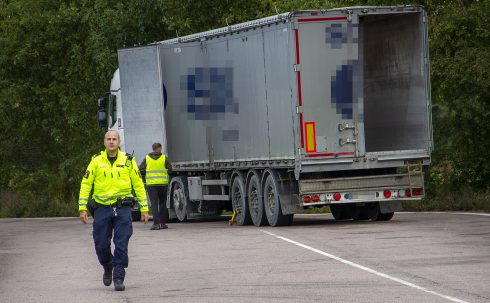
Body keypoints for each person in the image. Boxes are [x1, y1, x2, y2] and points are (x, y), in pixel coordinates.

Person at [78, 130, 149, 291]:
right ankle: (108, 267)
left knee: (121, 243)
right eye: (108, 139)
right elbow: (86, 184)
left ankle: (118, 275)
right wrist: (82, 208)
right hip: (101, 209)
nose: (111, 142)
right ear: (104, 142)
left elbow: (138, 184)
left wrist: (144, 208)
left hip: (122, 208)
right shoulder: (96, 161)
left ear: (119, 143)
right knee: (101, 245)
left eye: (114, 139)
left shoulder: (128, 161)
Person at [139, 142, 172, 230]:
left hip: (151, 184)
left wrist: (145, 176)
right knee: (162, 203)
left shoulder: (147, 158)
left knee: (153, 203)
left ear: (153, 148)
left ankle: (156, 224)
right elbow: (170, 169)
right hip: (163, 184)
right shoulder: (164, 158)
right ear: (159, 148)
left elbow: (141, 169)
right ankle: (162, 223)